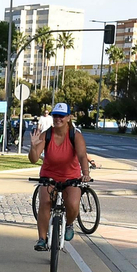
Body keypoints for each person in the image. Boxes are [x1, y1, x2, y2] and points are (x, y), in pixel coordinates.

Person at [28, 102, 91, 251]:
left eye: (62, 116)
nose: (58, 119)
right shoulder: (47, 134)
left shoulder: (75, 135)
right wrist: (33, 147)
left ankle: (69, 224)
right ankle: (42, 239)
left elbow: (82, 156)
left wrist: (86, 174)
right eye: (56, 115)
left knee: (73, 204)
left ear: (68, 117)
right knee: (45, 202)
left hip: (71, 177)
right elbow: (34, 159)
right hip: (49, 175)